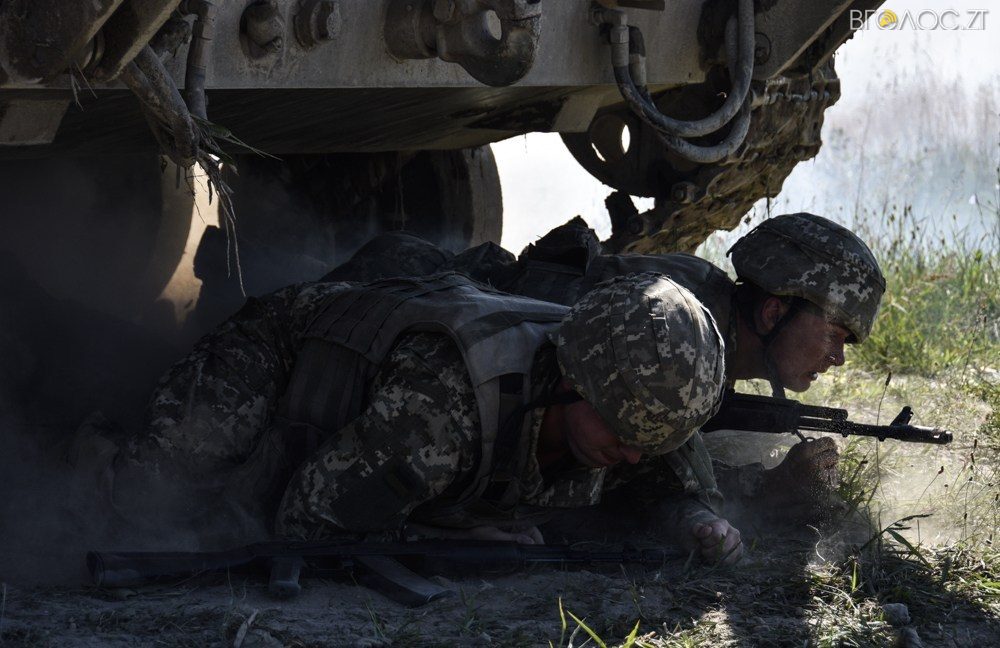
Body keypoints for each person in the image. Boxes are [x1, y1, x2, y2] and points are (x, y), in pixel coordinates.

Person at [113, 272, 744, 564]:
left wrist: (697, 521)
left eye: (648, 443)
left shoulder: (638, 398)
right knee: (157, 495)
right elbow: (309, 521)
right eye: (625, 438)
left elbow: (666, 479)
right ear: (572, 384)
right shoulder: (443, 411)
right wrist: (452, 540)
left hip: (384, 407)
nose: (634, 455)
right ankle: (89, 437)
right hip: (282, 351)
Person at [315, 212, 887, 527]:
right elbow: (624, 467)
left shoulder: (707, 318)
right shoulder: (674, 332)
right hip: (386, 305)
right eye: (835, 335)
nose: (838, 356)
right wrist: (761, 489)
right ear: (773, 311)